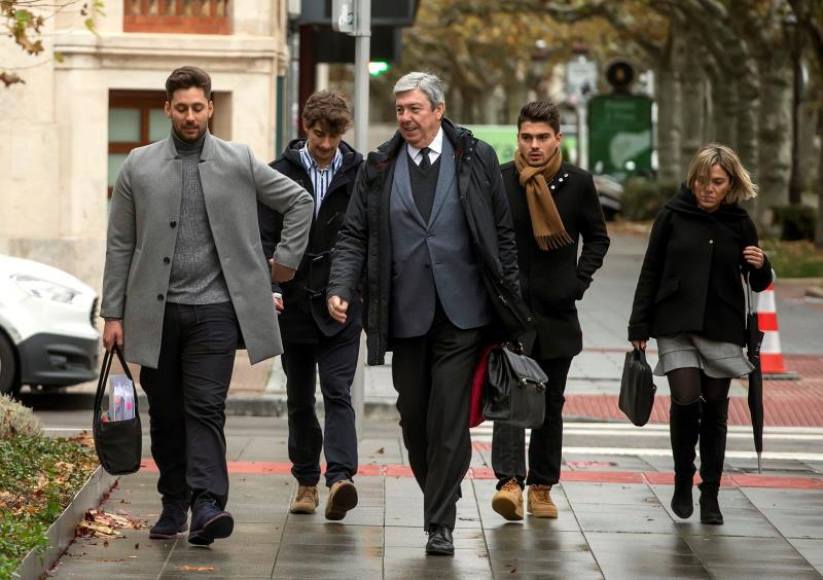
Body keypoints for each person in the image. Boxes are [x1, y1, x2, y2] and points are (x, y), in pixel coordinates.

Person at [101, 66, 313, 546]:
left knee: (205, 407)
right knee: (168, 411)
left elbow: (299, 202)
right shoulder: (138, 164)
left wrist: (284, 264)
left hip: (216, 311)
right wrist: (112, 314)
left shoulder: (238, 160)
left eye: (199, 107)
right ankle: (173, 502)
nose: (191, 116)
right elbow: (119, 244)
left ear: (211, 107)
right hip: (156, 314)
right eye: (182, 108)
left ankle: (208, 504)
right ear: (167, 109)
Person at [326, 72, 529, 555]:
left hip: (464, 313)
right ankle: (442, 486)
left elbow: (502, 231)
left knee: (448, 418)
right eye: (399, 110)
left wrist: (510, 296)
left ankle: (440, 523)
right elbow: (354, 234)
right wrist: (340, 286)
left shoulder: (475, 156)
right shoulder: (378, 165)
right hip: (406, 312)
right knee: (414, 417)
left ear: (438, 110)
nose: (406, 118)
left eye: (415, 109)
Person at [628, 143, 771, 525]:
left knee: (715, 408)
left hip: (722, 325)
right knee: (686, 398)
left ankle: (710, 493)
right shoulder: (672, 215)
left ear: (731, 185)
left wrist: (763, 265)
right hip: (675, 323)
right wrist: (638, 326)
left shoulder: (740, 223)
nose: (708, 188)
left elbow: (757, 281)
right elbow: (650, 270)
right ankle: (681, 479)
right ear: (692, 179)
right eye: (702, 181)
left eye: (718, 182)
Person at [490, 100, 610, 521]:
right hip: (510, 312)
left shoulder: (576, 183)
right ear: (517, 138)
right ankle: (508, 484)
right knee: (508, 400)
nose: (534, 145)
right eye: (527, 137)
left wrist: (576, 283)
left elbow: (598, 238)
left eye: (542, 137)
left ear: (558, 138)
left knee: (549, 404)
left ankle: (541, 486)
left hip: (556, 314)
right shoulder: (502, 180)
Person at [258, 91, 364, 520]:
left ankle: (340, 478)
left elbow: (366, 238)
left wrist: (354, 289)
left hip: (342, 303)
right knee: (300, 397)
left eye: (335, 134)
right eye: (320, 134)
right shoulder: (277, 173)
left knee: (338, 392)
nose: (326, 143)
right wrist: (270, 287)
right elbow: (263, 235)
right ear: (306, 127)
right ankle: (305, 481)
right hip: (294, 303)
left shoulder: (362, 174)